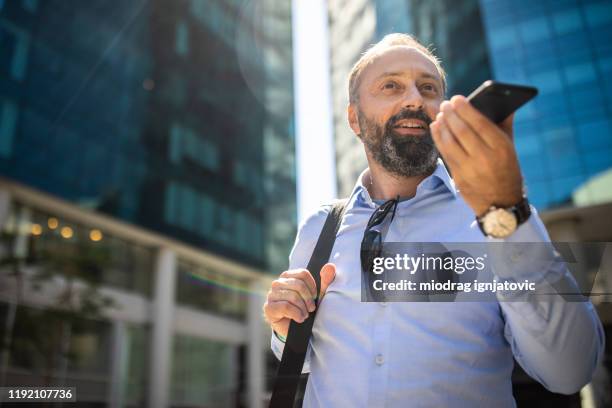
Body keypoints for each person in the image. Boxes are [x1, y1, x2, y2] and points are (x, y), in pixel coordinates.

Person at [263, 33, 605, 407]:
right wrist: (285, 330)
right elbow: (307, 356)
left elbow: (570, 371)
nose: (414, 99)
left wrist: (508, 212)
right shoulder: (320, 228)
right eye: (391, 85)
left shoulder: (497, 217)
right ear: (354, 118)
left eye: (428, 88)